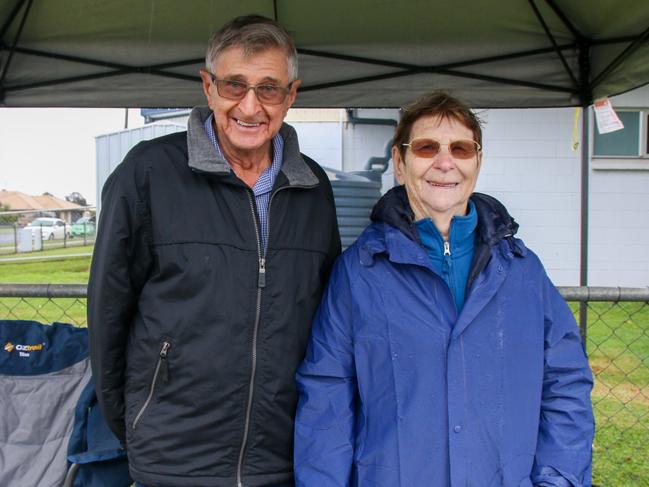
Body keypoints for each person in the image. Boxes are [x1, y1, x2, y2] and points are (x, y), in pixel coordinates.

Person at [88, 15, 340, 487]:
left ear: (291, 95)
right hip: (173, 457)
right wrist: (138, 426)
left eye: (268, 88)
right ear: (207, 86)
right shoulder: (147, 173)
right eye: (234, 85)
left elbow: (328, 319)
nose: (250, 105)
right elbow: (107, 313)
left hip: (284, 456)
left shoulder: (313, 187)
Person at [294, 92, 594, 486]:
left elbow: (566, 383)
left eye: (461, 148)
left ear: (478, 162)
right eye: (426, 147)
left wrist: (559, 481)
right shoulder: (360, 273)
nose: (445, 161)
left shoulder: (523, 272)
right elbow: (326, 398)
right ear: (400, 164)